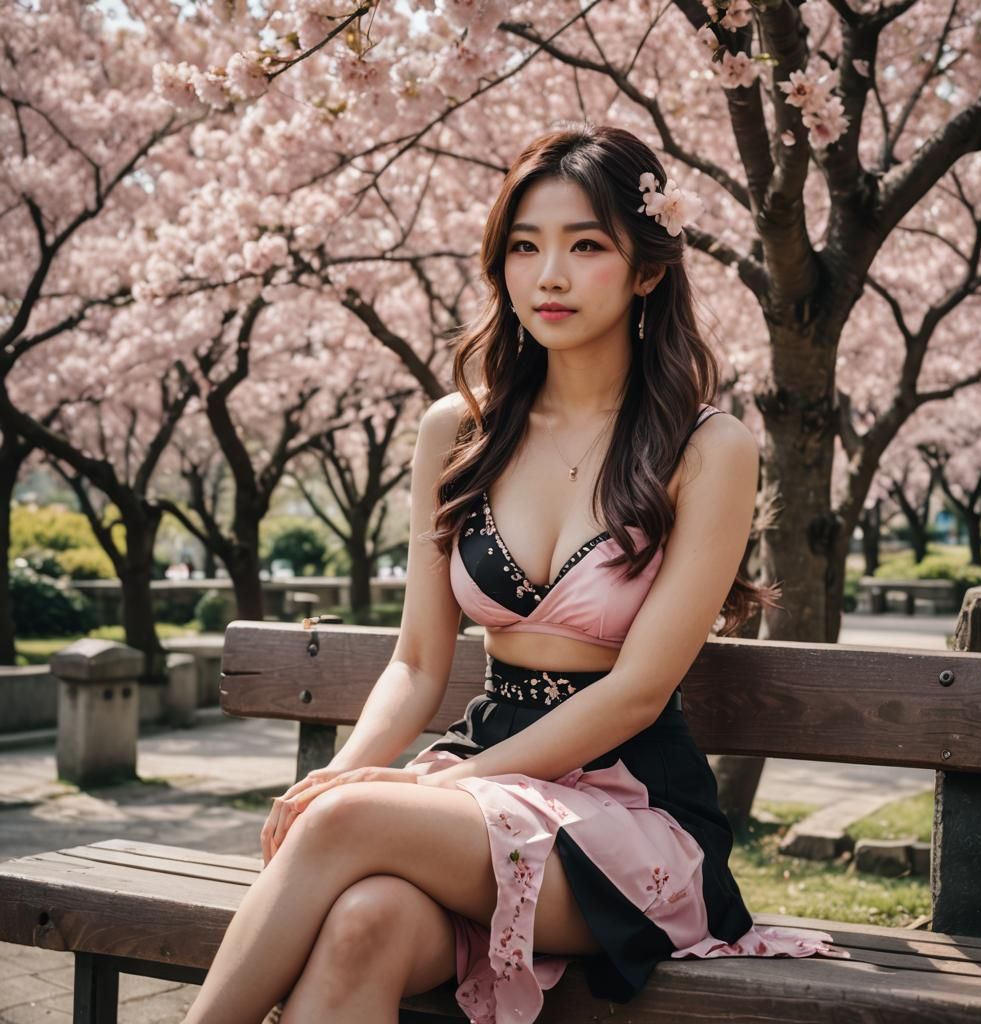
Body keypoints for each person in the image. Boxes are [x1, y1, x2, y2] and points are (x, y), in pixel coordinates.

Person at [181, 122, 849, 1024]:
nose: (551, 276)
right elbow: (418, 663)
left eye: (587, 246)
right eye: (525, 247)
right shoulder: (457, 431)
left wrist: (415, 792)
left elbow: (637, 695)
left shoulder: (707, 447)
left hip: (631, 816)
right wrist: (339, 777)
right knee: (363, 922)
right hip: (484, 780)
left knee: (346, 823)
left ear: (647, 269)